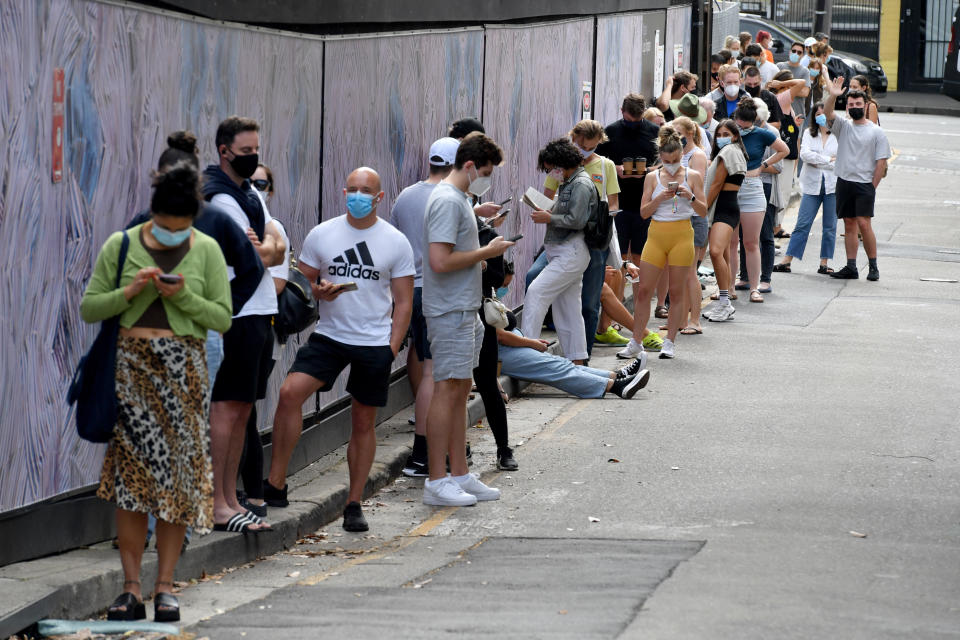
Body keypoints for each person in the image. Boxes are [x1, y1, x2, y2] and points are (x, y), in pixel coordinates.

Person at [81, 163, 232, 622]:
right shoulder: (121, 244)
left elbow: (222, 317)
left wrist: (181, 296)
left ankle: (165, 587)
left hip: (184, 372)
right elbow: (91, 307)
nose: (171, 235)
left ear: (193, 219)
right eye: (164, 228)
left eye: (180, 229)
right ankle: (130, 588)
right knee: (132, 487)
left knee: (177, 484)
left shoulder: (205, 249)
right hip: (132, 371)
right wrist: (132, 292)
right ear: (152, 214)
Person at [266, 167, 415, 532]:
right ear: (343, 191)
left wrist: (391, 348)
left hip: (373, 343)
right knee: (289, 394)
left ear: (380, 198)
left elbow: (404, 302)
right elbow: (300, 283)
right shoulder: (323, 233)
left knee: (362, 422)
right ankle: (275, 483)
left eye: (366, 190)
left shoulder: (396, 242)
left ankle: (354, 502)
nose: (358, 195)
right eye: (352, 189)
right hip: (330, 335)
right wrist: (319, 292)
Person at [203, 116, 286, 533]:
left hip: (258, 311)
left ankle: (231, 498)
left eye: (257, 150)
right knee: (227, 408)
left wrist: (266, 246)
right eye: (245, 152)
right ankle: (217, 502)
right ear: (223, 152)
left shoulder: (248, 191)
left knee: (242, 410)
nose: (253, 159)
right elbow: (256, 255)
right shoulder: (219, 198)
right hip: (235, 312)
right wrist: (266, 248)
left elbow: (276, 241)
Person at [421, 132, 514, 507]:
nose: (488, 178)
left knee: (460, 390)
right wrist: (487, 252)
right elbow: (440, 261)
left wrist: (476, 218)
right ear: (471, 165)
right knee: (448, 389)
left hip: (464, 307)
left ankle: (457, 473)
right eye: (487, 171)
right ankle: (436, 480)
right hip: (451, 309)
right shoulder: (446, 199)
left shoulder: (458, 198)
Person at [390, 137, 459, 478]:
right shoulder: (450, 198)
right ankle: (424, 455)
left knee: (427, 367)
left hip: (411, 292)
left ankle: (432, 451)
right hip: (440, 293)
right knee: (438, 374)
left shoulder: (404, 197)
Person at [235, 163, 289, 519]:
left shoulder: (273, 229)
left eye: (261, 183)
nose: (254, 188)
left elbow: (278, 282)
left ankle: (255, 495)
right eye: (249, 182)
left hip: (257, 327)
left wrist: (260, 255)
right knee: (234, 413)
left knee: (244, 413)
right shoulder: (231, 217)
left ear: (269, 190)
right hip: (236, 323)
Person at [542, 120, 621, 358]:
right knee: (534, 279)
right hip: (564, 236)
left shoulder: (604, 165)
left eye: (592, 147)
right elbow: (546, 197)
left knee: (589, 302)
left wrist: (603, 214)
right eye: (581, 146)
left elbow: (614, 200)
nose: (586, 151)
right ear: (573, 139)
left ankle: (583, 355)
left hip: (593, 239)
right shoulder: (560, 165)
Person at [627, 126, 707, 359]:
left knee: (676, 290)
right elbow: (643, 212)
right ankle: (636, 340)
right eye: (666, 160)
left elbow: (702, 211)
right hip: (656, 234)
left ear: (681, 155)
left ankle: (670, 341)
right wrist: (660, 198)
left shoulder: (692, 176)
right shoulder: (653, 177)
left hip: (682, 233)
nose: (671, 165)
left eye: (674, 160)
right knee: (643, 291)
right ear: (660, 157)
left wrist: (689, 196)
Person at [596, 93, 666, 355]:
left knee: (640, 261)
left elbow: (665, 161)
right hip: (617, 204)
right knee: (617, 263)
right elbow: (596, 163)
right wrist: (617, 169)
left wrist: (651, 171)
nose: (633, 122)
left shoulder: (654, 131)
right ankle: (611, 321)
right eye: (630, 117)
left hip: (645, 204)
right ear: (622, 111)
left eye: (637, 118)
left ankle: (639, 318)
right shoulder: (611, 132)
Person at [521, 138, 596, 363]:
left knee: (536, 293)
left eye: (550, 168)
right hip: (565, 252)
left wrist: (549, 216)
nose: (550, 174)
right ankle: (577, 360)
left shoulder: (580, 184)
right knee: (569, 310)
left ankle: (527, 355)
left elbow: (577, 219)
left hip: (570, 251)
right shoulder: (570, 182)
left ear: (560, 164)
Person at [823, 77, 891, 281]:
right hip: (844, 182)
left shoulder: (876, 132)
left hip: (865, 185)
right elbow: (827, 113)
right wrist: (833, 96)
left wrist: (873, 186)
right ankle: (851, 266)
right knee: (849, 224)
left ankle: (873, 266)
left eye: (858, 104)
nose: (854, 106)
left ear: (865, 105)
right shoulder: (843, 126)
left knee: (864, 224)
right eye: (851, 104)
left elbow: (881, 162)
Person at [497, 314, 649, 400]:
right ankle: (615, 386)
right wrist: (531, 343)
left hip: (507, 342)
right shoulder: (477, 293)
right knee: (555, 368)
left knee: (561, 364)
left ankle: (617, 376)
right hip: (498, 349)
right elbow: (500, 335)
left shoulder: (486, 290)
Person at [731, 98, 789, 303]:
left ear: (754, 121)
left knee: (751, 241)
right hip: (731, 187)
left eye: (746, 125)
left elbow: (784, 150)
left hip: (753, 186)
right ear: (735, 120)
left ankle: (756, 286)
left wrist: (762, 165)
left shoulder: (762, 133)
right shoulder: (729, 132)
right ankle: (729, 286)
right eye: (740, 125)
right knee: (731, 242)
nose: (743, 129)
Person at [774, 102, 838, 274]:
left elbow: (840, 162)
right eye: (818, 114)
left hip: (832, 186)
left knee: (830, 226)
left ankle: (824, 263)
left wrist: (821, 161)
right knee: (803, 223)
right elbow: (805, 155)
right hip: (811, 186)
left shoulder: (838, 135)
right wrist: (827, 160)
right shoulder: (810, 134)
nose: (822, 116)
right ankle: (787, 260)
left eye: (824, 113)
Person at [703, 120, 748, 322]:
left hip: (724, 207)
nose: (721, 137)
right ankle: (725, 299)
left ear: (735, 135)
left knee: (715, 251)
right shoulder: (734, 151)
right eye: (718, 134)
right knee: (723, 254)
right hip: (726, 206)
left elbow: (716, 184)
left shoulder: (729, 151)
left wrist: (702, 209)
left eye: (726, 133)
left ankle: (725, 302)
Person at [672, 115, 710, 335]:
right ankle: (680, 320)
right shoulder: (680, 155)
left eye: (679, 134)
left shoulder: (697, 155)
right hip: (679, 215)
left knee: (689, 272)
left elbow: (697, 186)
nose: (676, 138)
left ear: (689, 133)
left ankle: (695, 320)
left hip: (694, 216)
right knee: (678, 272)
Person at [778, 42, 813, 125]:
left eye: (799, 52)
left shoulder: (805, 71)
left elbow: (805, 93)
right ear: (790, 51)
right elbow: (773, 87)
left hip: (798, 113)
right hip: (780, 112)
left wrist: (782, 85)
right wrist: (797, 87)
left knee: (797, 137)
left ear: (802, 55)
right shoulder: (780, 66)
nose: (796, 53)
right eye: (794, 51)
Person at [742, 65, 783, 129]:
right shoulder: (740, 97)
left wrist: (760, 125)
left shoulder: (770, 97)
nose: (752, 87)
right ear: (744, 80)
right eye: (749, 84)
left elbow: (778, 124)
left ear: (760, 80)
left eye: (755, 84)